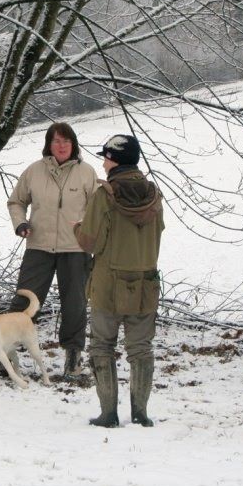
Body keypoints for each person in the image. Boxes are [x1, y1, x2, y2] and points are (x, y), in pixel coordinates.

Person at [74, 135, 164, 428]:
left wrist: (76, 227)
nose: (103, 162)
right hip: (145, 282)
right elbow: (158, 234)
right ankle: (141, 413)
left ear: (115, 160)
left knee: (102, 345)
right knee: (141, 348)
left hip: (108, 283)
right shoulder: (154, 195)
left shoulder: (105, 195)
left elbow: (89, 241)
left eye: (106, 157)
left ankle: (108, 414)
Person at [6, 122, 97, 376]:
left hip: (76, 249)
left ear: (74, 145)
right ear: (48, 144)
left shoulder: (87, 172)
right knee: (25, 301)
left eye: (66, 141)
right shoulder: (34, 172)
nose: (61, 146)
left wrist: (89, 234)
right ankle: (8, 355)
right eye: (56, 141)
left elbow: (98, 211)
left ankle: (74, 357)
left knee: (75, 303)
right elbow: (16, 202)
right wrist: (21, 223)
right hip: (39, 246)